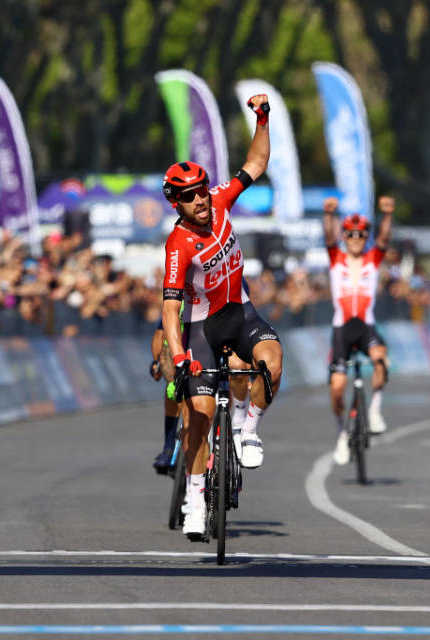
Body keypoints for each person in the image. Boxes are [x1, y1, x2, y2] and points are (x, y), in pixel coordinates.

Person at [161, 94, 284, 540]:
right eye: (190, 197)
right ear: (177, 203)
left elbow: (257, 160)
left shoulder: (221, 199)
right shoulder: (178, 245)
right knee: (199, 416)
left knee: (271, 360)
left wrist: (263, 119)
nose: (200, 200)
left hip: (240, 312)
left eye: (201, 190)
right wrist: (178, 357)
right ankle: (195, 499)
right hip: (201, 329)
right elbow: (170, 309)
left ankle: (249, 428)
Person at [322, 194, 393, 465]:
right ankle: (342, 436)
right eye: (350, 234)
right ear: (344, 235)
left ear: (366, 237)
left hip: (365, 326)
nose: (355, 238)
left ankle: (374, 410)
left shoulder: (372, 258)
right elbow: (329, 236)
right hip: (341, 328)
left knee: (381, 361)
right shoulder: (335, 256)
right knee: (338, 389)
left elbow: (384, 239)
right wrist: (328, 215)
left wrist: (387, 215)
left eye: (361, 234)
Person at [149, 320, 183, 474]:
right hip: (182, 347)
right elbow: (160, 334)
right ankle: (168, 448)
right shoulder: (181, 301)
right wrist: (157, 362)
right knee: (173, 388)